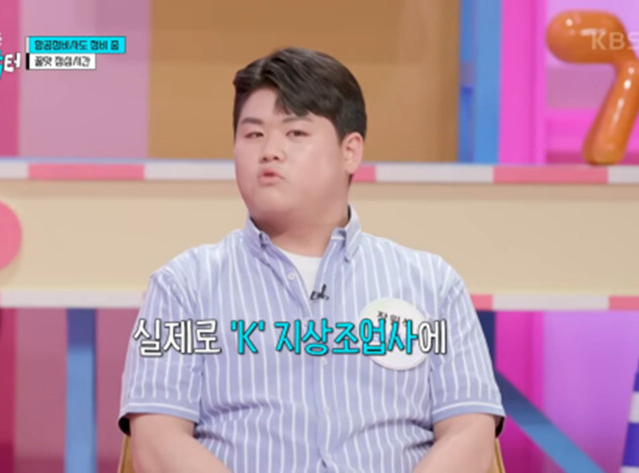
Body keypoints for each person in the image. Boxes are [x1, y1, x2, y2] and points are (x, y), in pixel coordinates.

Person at [118, 46, 505, 473]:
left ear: (350, 151)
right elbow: (158, 440)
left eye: (296, 133)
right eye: (253, 135)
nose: (270, 151)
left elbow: (470, 432)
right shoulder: (183, 287)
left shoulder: (433, 285)